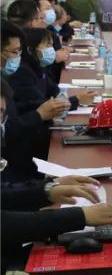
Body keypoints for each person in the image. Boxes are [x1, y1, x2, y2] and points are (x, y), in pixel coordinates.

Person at [1, 25, 68, 181]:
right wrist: (39, 114)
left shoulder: (4, 77)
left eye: (20, 51)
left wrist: (44, 107)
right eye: (14, 52)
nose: (18, 57)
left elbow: (14, 110)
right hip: (12, 165)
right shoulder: (21, 73)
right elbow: (5, 130)